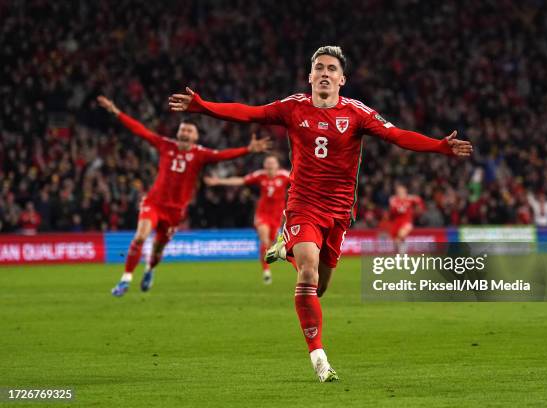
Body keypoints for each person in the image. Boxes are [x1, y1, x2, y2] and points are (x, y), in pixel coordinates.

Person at [168, 46, 473, 382]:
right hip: (303, 206)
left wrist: (439, 146)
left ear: (342, 79)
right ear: (309, 76)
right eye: (319, 68)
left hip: (340, 213)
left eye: (331, 69)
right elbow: (248, 113)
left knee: (320, 287)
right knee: (308, 274)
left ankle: (285, 248)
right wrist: (203, 107)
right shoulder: (292, 107)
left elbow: (397, 135)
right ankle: (319, 357)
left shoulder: (357, 113)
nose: (325, 73)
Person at [97, 96, 270, 297]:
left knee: (158, 250)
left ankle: (150, 270)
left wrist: (247, 150)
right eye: (183, 129)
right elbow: (140, 131)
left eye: (189, 130)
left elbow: (224, 155)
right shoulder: (165, 145)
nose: (185, 132)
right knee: (140, 237)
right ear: (178, 132)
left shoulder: (201, 154)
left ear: (195, 136)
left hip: (175, 212)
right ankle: (125, 280)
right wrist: (116, 111)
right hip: (153, 203)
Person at [205, 155, 290, 284]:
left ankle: (270, 259)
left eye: (272, 163)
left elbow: (301, 180)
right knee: (264, 238)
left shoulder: (284, 176)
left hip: (277, 216)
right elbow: (240, 180)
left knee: (271, 242)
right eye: (268, 163)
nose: (270, 165)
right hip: (262, 214)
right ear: (264, 165)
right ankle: (266, 271)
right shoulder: (260, 175)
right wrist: (219, 181)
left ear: (277, 165)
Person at [388, 184, 425, 252]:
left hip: (407, 221)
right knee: (396, 241)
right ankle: (400, 254)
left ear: (405, 191)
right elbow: (392, 211)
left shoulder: (410, 198)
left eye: (402, 191)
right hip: (396, 222)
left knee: (401, 235)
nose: (401, 192)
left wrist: (419, 208)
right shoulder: (393, 199)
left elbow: (419, 201)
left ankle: (403, 254)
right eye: (399, 191)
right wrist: (398, 209)